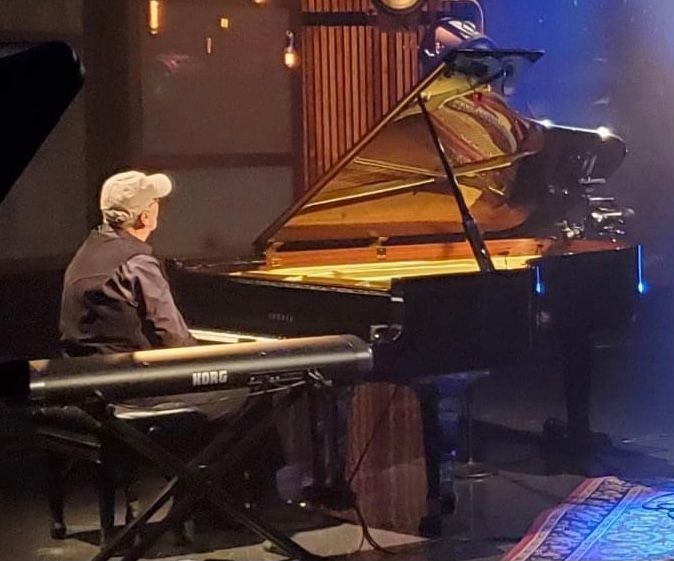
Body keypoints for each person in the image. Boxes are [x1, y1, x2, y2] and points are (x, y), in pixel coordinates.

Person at [60, 170, 197, 357]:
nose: (159, 205)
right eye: (155, 201)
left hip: (80, 367)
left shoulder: (87, 251)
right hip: (129, 369)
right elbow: (172, 337)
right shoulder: (137, 263)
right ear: (145, 217)